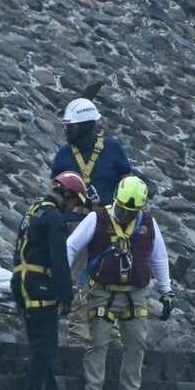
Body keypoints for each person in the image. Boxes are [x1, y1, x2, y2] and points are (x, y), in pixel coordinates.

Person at [66, 176, 175, 390]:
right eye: (124, 210)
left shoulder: (148, 223)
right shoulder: (97, 218)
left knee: (136, 344)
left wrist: (166, 291)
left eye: (133, 212)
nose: (127, 215)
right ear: (117, 200)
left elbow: (159, 256)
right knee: (98, 344)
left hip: (135, 295)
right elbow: (71, 246)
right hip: (102, 292)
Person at [50, 98, 134, 348]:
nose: (67, 131)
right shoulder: (64, 153)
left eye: (71, 126)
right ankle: (78, 336)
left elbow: (127, 184)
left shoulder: (113, 148)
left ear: (87, 126)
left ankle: (111, 336)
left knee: (109, 280)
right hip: (75, 224)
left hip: (107, 225)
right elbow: (54, 191)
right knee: (77, 280)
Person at [11, 172, 88, 390]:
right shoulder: (54, 218)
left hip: (21, 280)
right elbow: (58, 258)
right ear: (67, 193)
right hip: (38, 283)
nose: (73, 208)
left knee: (40, 339)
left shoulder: (33, 211)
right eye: (74, 202)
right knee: (45, 340)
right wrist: (66, 294)